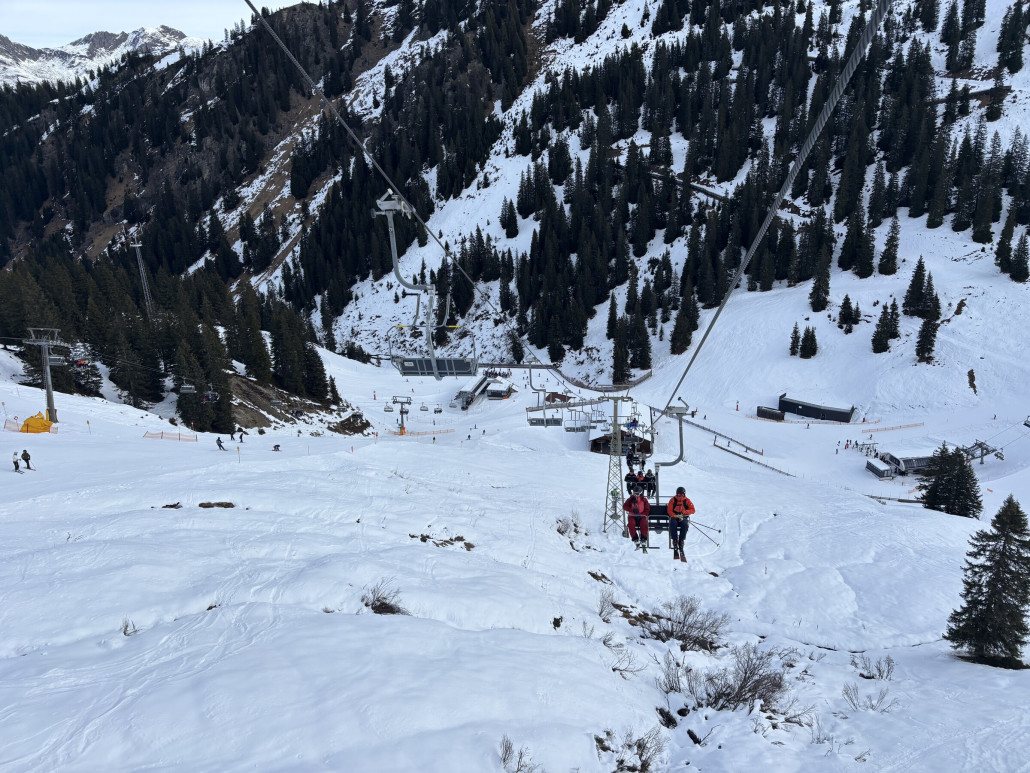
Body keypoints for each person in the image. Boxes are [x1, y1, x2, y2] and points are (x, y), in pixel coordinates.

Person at [666, 486, 695, 562]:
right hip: (674, 517)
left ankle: (681, 540)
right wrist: (675, 515)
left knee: (685, 524)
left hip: (683, 517)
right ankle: (675, 540)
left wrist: (684, 513)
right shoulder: (673, 500)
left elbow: (692, 510)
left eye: (682, 494)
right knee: (673, 523)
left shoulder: (687, 501)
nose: (680, 496)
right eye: (679, 494)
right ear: (676, 494)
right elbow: (669, 510)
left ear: (684, 494)